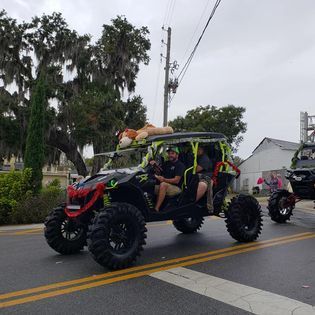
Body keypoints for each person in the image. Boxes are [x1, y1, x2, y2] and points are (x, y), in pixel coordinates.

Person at [150, 146, 185, 212]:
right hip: (166, 184)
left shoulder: (180, 165)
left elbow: (176, 180)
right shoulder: (166, 163)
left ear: (177, 155)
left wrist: (164, 179)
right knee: (149, 185)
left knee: (163, 185)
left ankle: (156, 208)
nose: (170, 155)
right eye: (169, 153)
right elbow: (160, 171)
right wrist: (154, 165)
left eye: (172, 153)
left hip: (176, 188)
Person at [195, 146, 214, 213]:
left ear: (203, 150)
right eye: (196, 149)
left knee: (203, 185)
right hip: (197, 177)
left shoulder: (204, 158)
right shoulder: (197, 157)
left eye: (199, 149)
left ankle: (209, 206)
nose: (197, 150)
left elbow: (196, 169)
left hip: (205, 177)